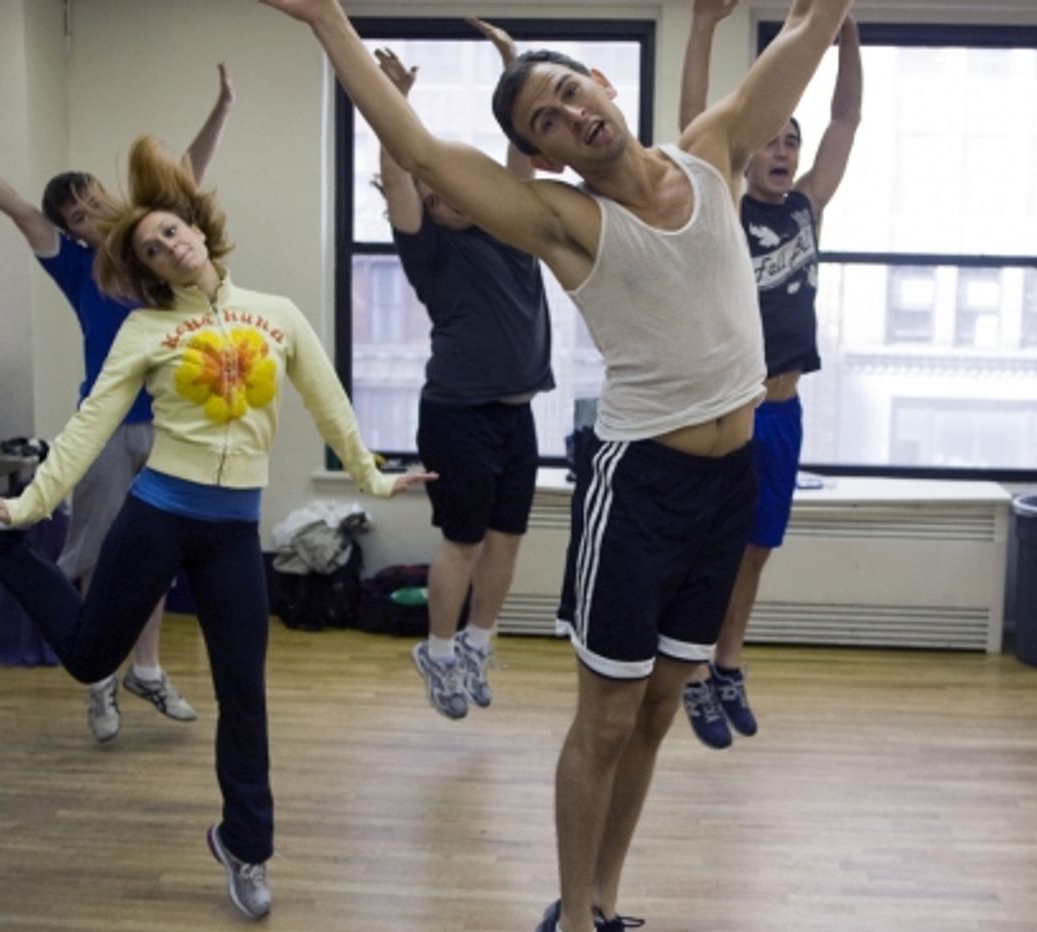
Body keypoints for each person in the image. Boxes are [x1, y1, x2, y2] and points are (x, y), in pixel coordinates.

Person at [261, 2, 853, 930]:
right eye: (546, 119)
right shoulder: (561, 219)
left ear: (603, 88)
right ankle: (573, 918)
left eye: (571, 91)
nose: (570, 114)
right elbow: (418, 151)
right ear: (546, 156)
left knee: (659, 712)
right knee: (609, 718)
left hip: (726, 487)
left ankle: (605, 901)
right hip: (640, 487)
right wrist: (327, 19)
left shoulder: (713, 149)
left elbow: (809, 32)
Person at [0, 134, 434, 922]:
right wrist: (26, 508)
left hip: (234, 534)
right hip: (158, 518)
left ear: (199, 230)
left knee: (245, 695)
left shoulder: (277, 316)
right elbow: (90, 426)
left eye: (173, 229)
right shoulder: (143, 332)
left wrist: (374, 476)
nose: (168, 244)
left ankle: (246, 847)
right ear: (149, 270)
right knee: (89, 655)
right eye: (150, 247)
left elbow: (329, 403)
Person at [0, 65, 234, 742]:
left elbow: (187, 174)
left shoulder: (152, 247)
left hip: (171, 428)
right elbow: (16, 208)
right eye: (75, 216)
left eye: (90, 202)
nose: (87, 216)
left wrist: (222, 107)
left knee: (158, 552)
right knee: (97, 557)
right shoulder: (73, 263)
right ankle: (99, 683)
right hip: (109, 430)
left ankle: (145, 670)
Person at [675, 0, 862, 749]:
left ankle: (726, 663)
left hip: (785, 411)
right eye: (773, 140)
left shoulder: (808, 209)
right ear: (749, 152)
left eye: (793, 141)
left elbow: (846, 121)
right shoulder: (721, 203)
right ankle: (688, 671)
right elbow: (696, 125)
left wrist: (844, 31)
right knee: (706, 548)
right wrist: (701, 27)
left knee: (755, 550)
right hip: (727, 409)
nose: (783, 152)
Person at [373, 21, 554, 721]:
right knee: (464, 541)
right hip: (457, 412)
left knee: (507, 538)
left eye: (449, 185)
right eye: (430, 190)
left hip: (515, 410)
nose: (443, 196)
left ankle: (479, 641)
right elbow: (399, 172)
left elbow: (522, 154)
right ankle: (439, 651)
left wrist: (514, 65)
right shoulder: (428, 250)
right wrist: (394, 108)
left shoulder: (513, 223)